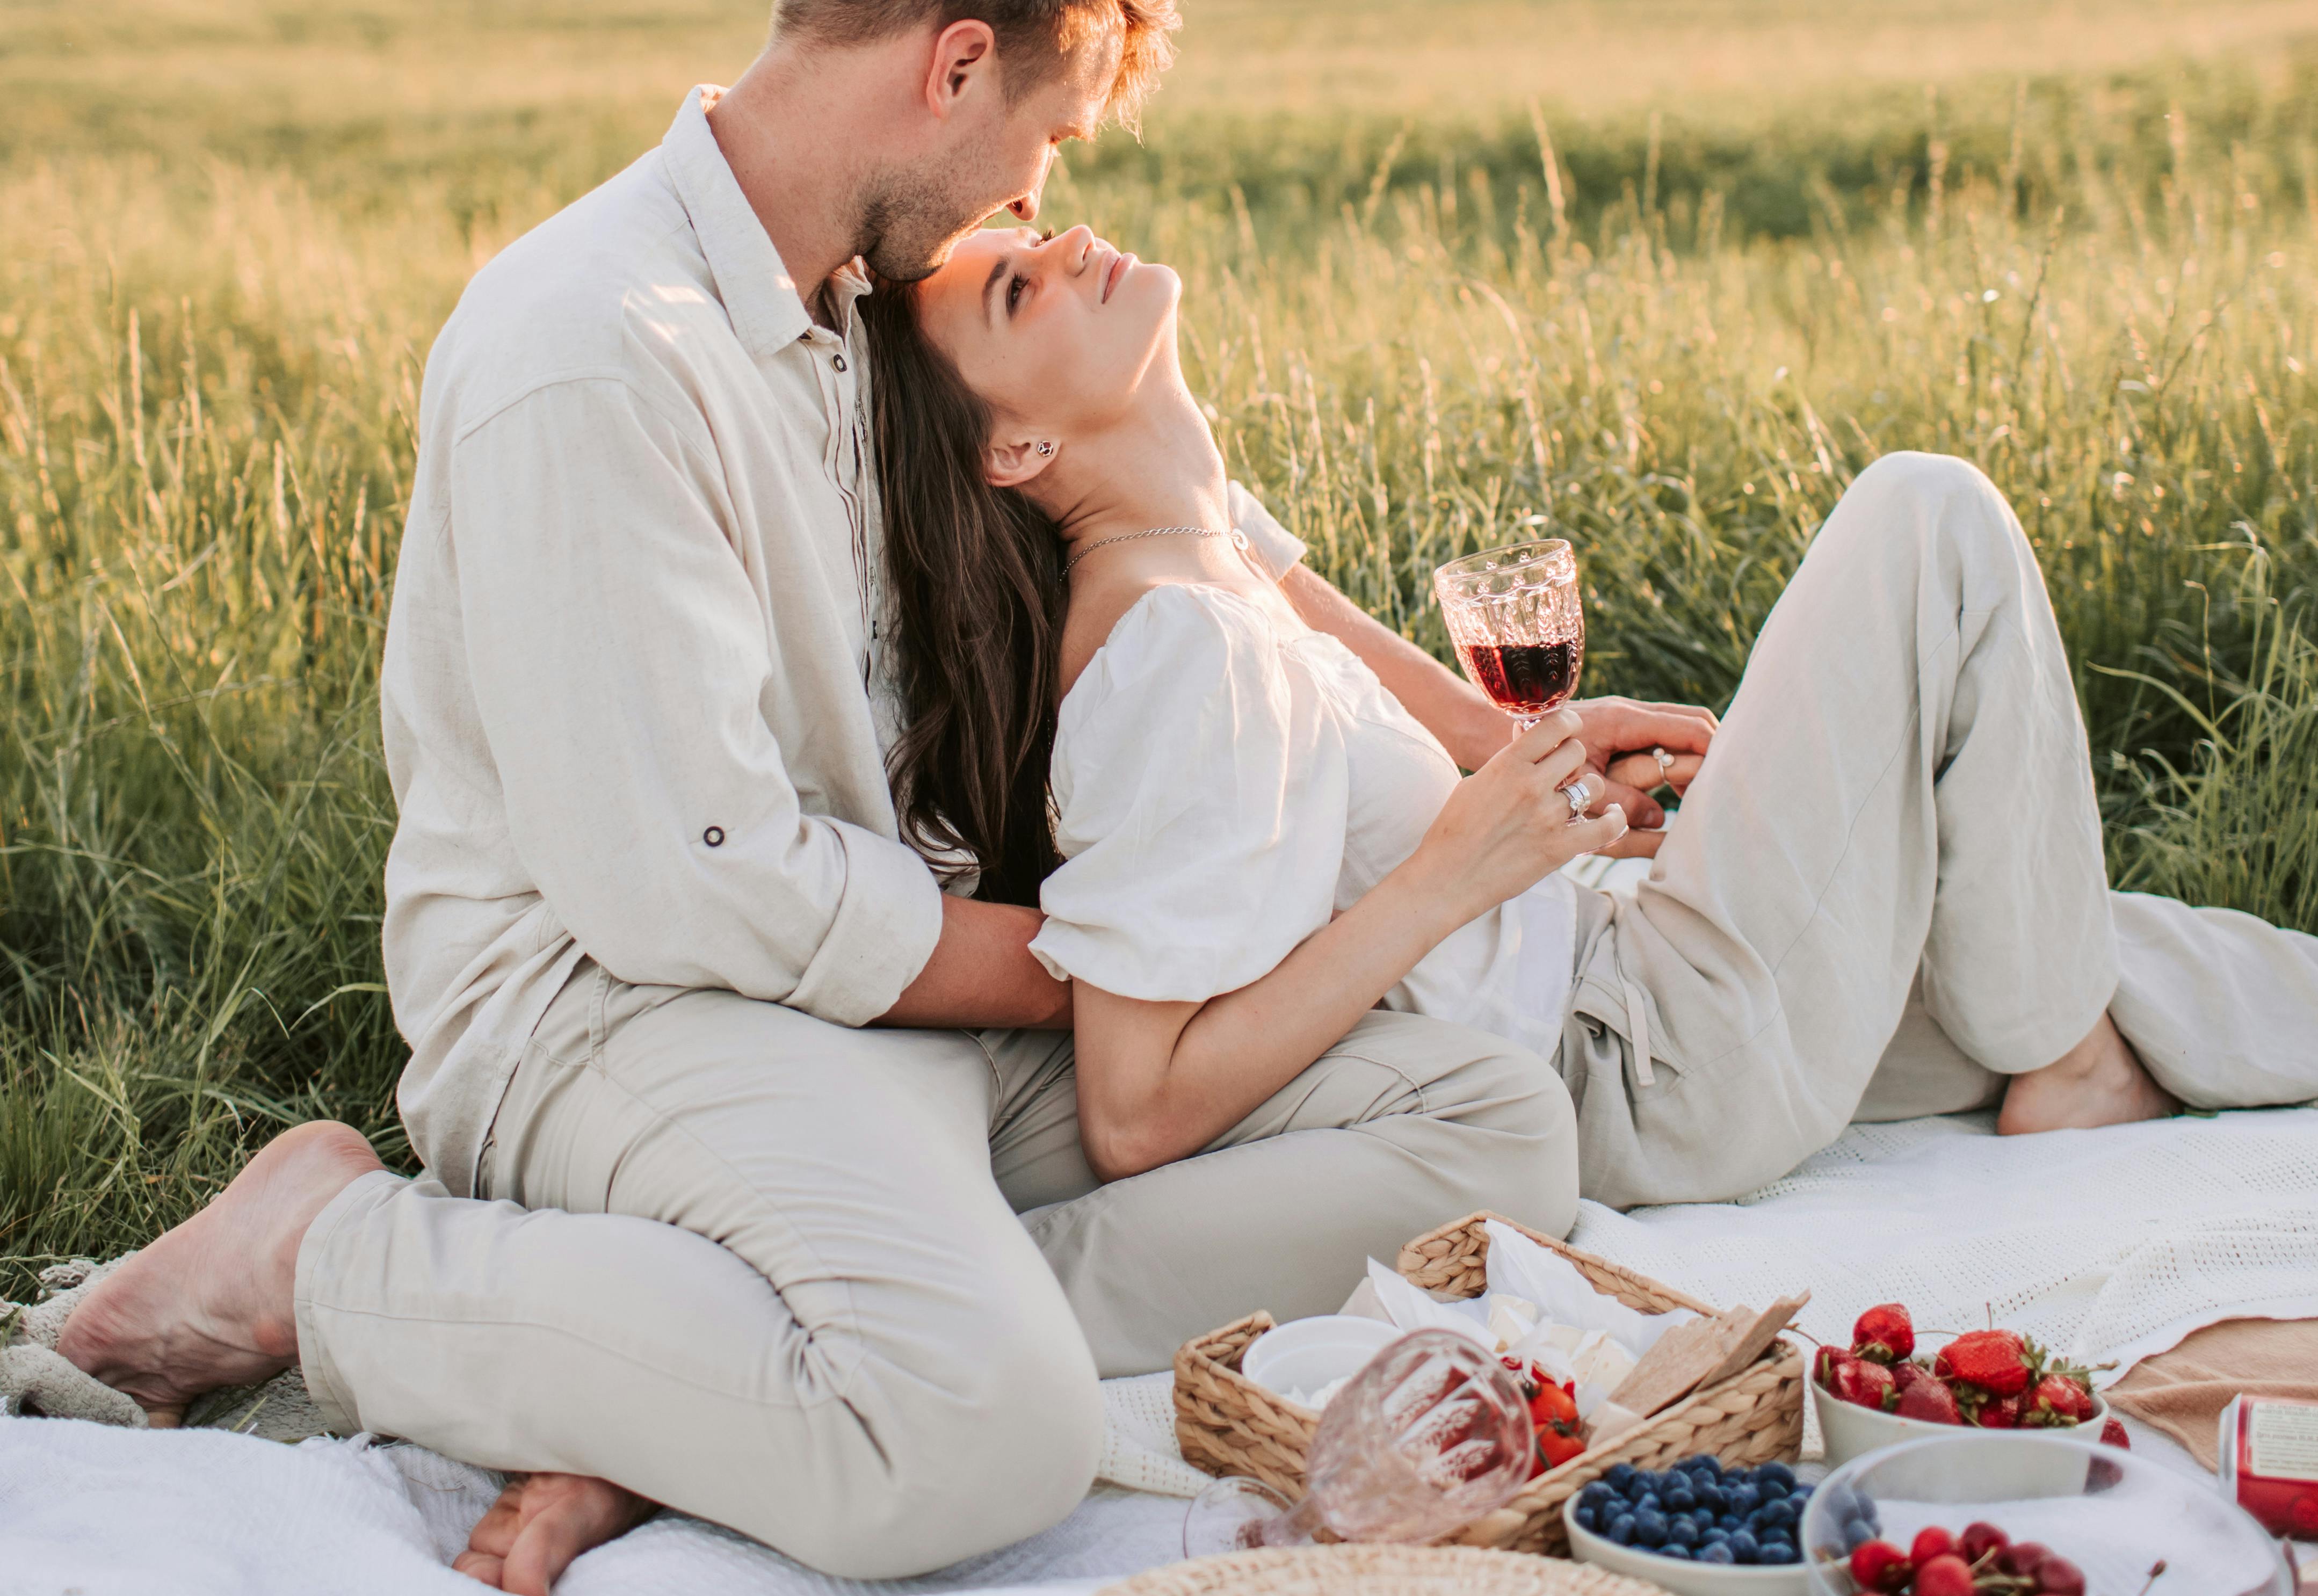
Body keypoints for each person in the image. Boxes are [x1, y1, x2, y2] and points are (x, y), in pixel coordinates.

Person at [59, 0, 1582, 1596]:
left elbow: (1198, 514)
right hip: (622, 1011)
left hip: (887, 1009)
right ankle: (325, 1255)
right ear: (952, 66)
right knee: (972, 1439)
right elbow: (689, 884)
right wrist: (1116, 972)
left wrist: (1481, 742)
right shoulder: (595, 349)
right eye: (1043, 141)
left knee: (1490, 1131)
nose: (1039, 203)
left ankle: (694, 1361)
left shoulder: (865, 300)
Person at [874, 212, 2318, 1213]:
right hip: (1640, 1052)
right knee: (1923, 515)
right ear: (1019, 443)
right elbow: (1136, 1111)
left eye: (1026, 232)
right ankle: (2062, 1070)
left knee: (2098, 937)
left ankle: (2063, 1037)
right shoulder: (1167, 655)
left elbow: (1270, 570)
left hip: (1624, 953)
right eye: (1016, 291)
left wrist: (1528, 765)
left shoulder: (1200, 559)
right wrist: (1467, 859)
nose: (1061, 243)